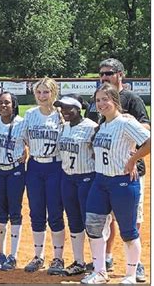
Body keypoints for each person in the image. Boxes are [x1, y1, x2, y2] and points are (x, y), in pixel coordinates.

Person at [85, 58, 150, 282]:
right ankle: (101, 268)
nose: (101, 104)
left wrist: (133, 159)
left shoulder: (127, 115)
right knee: (96, 225)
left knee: (129, 227)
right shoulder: (102, 122)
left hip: (124, 177)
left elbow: (148, 138)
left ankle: (133, 271)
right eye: (98, 100)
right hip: (101, 179)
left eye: (105, 100)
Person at [20, 77, 66, 274]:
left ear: (53, 93)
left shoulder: (61, 115)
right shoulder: (30, 114)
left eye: (46, 92)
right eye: (38, 92)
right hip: (35, 166)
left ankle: (58, 258)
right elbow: (21, 137)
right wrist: (22, 148)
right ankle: (38, 256)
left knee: (55, 213)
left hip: (55, 167)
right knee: (36, 212)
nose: (41, 96)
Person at [54, 94, 97, 276]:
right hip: (67, 178)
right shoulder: (63, 127)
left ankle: (97, 262)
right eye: (62, 108)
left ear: (78, 109)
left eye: (69, 108)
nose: (65, 112)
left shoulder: (92, 127)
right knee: (73, 219)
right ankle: (79, 261)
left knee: (91, 221)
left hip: (87, 178)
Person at [0, 91, 26, 271]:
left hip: (15, 171)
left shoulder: (21, 123)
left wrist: (25, 155)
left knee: (15, 211)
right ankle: (1, 253)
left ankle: (13, 255)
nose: (4, 106)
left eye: (7, 103)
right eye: (1, 103)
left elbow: (31, 142)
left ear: (14, 105)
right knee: (0, 211)